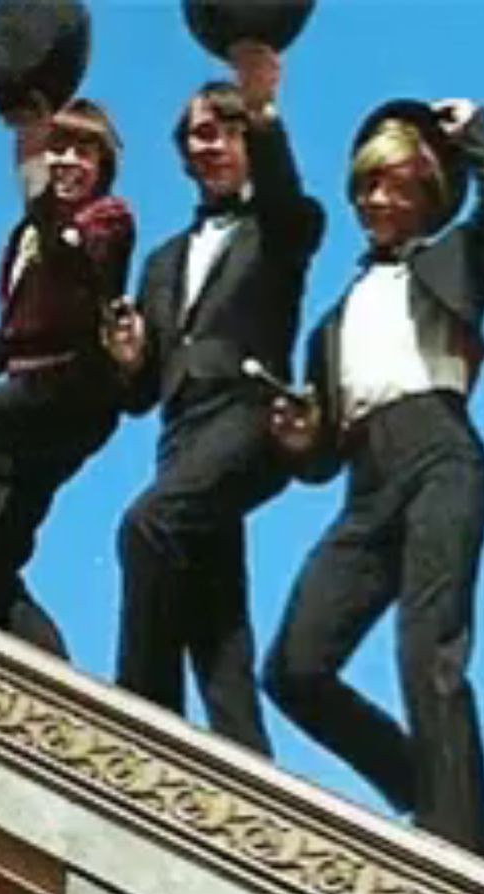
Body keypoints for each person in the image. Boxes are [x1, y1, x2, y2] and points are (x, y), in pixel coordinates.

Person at [262, 97, 484, 861]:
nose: (380, 201)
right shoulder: (332, 321)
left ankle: (466, 852)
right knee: (294, 666)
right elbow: (319, 459)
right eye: (369, 187)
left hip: (442, 454)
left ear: (431, 196)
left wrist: (476, 128)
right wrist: (301, 437)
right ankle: (420, 782)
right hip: (366, 481)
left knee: (428, 658)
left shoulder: (454, 261)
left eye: (399, 187)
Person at [103, 43, 323, 756]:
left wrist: (262, 108)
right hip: (180, 435)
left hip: (251, 417)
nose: (212, 145)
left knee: (145, 528)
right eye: (199, 134)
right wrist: (132, 359)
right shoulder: (163, 259)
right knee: (216, 627)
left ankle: (139, 729)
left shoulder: (281, 226)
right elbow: (139, 395)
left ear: (248, 142)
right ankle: (254, 781)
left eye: (225, 131)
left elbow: (290, 202)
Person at [0, 98, 135, 657]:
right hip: (32, 392)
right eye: (57, 147)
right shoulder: (27, 234)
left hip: (74, 396)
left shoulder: (107, 220)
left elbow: (77, 279)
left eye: (81, 151)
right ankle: (55, 675)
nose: (66, 161)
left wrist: (36, 180)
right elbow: (24, 340)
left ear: (102, 166)